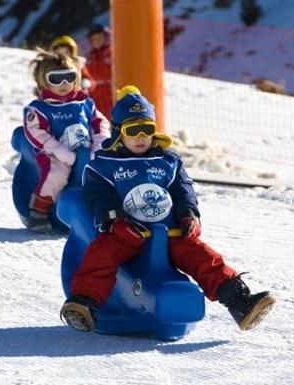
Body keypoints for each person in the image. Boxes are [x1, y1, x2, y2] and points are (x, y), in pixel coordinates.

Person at [60, 86, 275, 333]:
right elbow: (98, 197)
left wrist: (189, 215)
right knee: (101, 255)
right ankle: (85, 303)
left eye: (147, 129)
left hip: (170, 232)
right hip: (127, 233)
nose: (141, 137)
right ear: (119, 133)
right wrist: (116, 222)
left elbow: (183, 191)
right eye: (133, 130)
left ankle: (240, 303)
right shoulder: (104, 166)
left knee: (204, 257)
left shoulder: (167, 162)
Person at [22, 50, 110, 232]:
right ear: (43, 80)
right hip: (55, 153)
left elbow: (100, 123)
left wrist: (99, 143)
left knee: (105, 174)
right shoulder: (40, 108)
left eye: (69, 77)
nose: (64, 84)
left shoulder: (85, 103)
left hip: (87, 150)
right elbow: (35, 131)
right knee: (56, 174)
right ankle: (39, 211)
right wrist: (57, 150)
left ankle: (107, 212)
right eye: (56, 79)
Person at [85, 24, 113, 120]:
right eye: (94, 39)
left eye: (100, 37)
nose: (97, 41)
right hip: (96, 96)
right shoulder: (89, 57)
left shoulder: (113, 52)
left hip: (111, 93)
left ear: (105, 37)